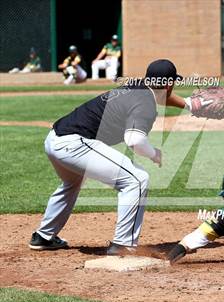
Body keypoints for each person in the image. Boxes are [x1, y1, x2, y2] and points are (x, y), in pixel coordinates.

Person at [28, 59, 211, 255]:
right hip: (75, 144)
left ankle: (44, 236)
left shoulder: (137, 86)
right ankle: (122, 245)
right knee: (137, 179)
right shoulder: (145, 103)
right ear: (168, 84)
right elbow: (134, 140)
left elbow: (161, 95)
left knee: (72, 183)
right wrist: (154, 154)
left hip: (55, 139)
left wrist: (190, 104)